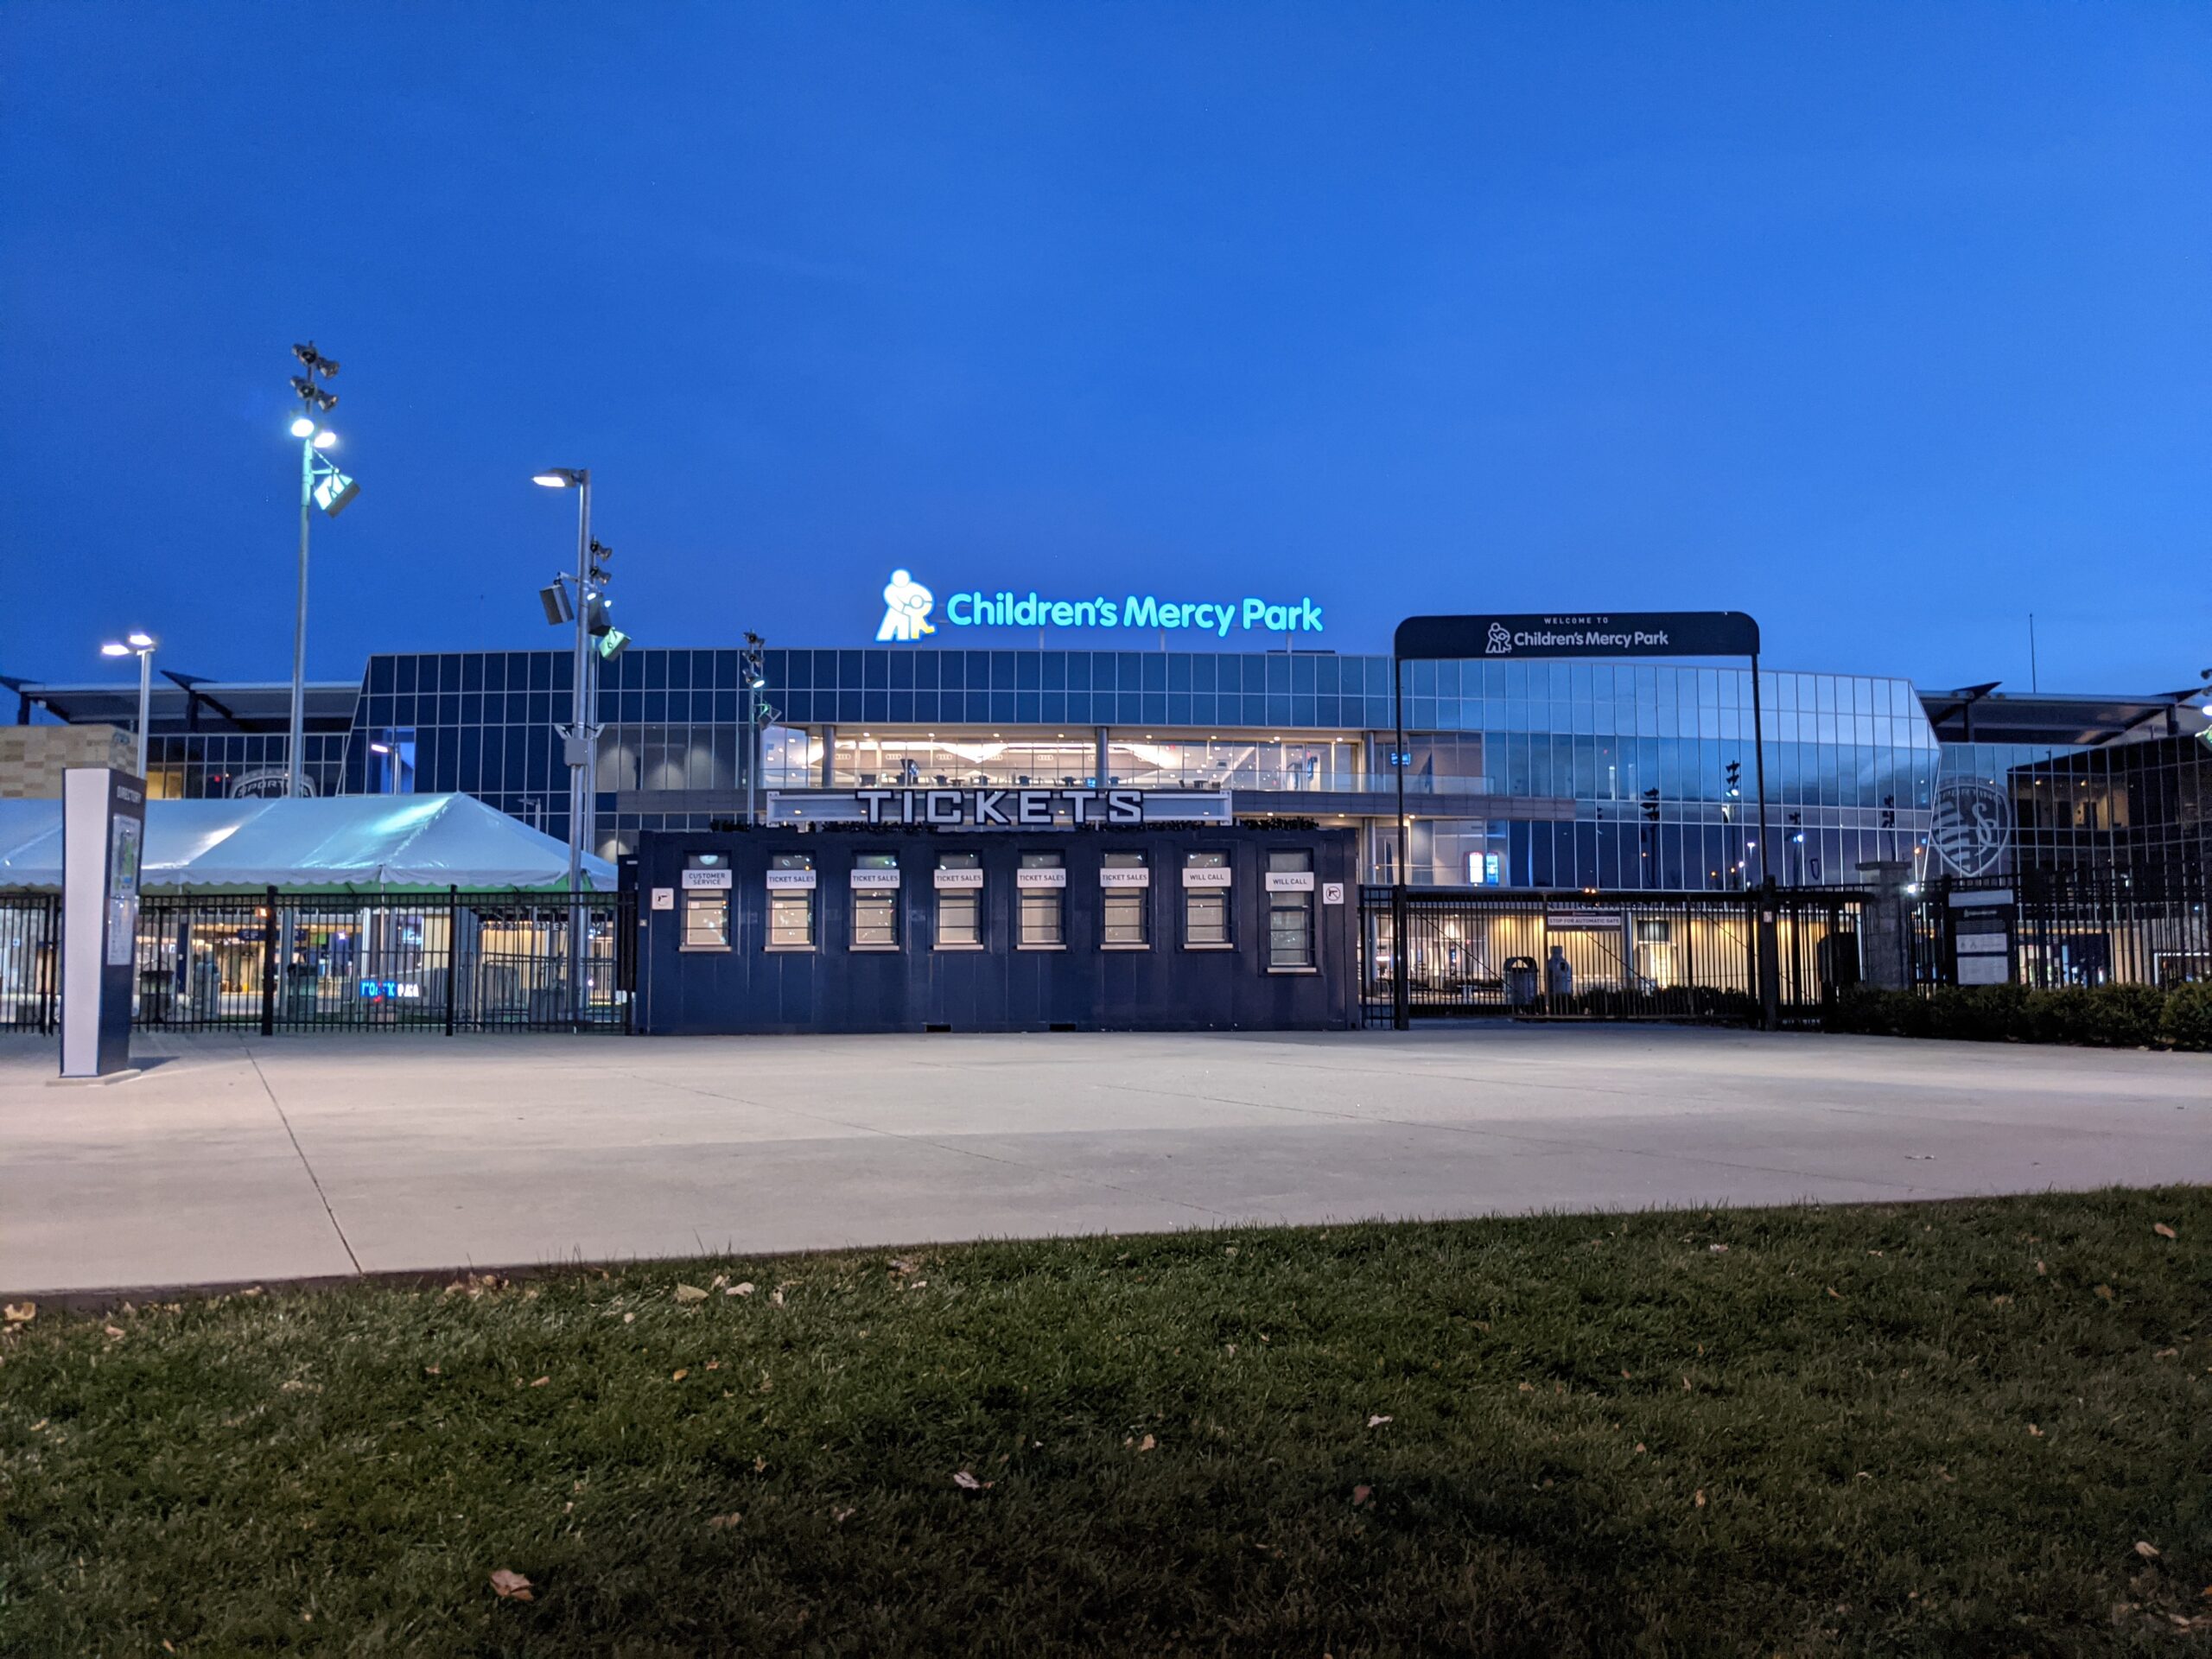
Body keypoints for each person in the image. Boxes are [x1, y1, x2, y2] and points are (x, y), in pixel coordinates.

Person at [876, 569, 936, 642]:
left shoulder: (913, 588)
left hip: (920, 608)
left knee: (914, 617)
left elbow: (926, 598)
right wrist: (907, 609)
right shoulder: (890, 591)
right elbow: (896, 603)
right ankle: (918, 631)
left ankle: (917, 631)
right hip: (904, 612)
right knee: (911, 617)